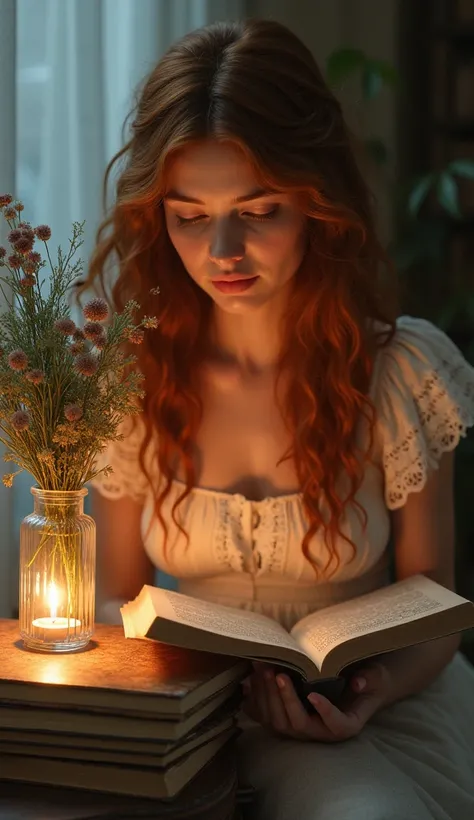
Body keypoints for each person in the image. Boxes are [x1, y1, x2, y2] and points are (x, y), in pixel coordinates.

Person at [82, 17, 474, 820]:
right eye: (189, 216)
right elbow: (110, 601)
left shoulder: (398, 375)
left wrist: (366, 694)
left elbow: (433, 598)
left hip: (373, 712)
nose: (222, 249)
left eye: (258, 210)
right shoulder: (132, 383)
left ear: (316, 201)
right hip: (187, 712)